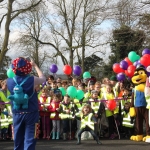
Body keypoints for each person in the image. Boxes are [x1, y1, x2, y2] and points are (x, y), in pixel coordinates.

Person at [7, 57, 46, 150]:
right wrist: (35, 65)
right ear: (27, 67)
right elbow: (43, 78)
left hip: (17, 114)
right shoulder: (32, 79)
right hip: (31, 113)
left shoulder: (9, 81)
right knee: (30, 139)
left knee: (17, 140)